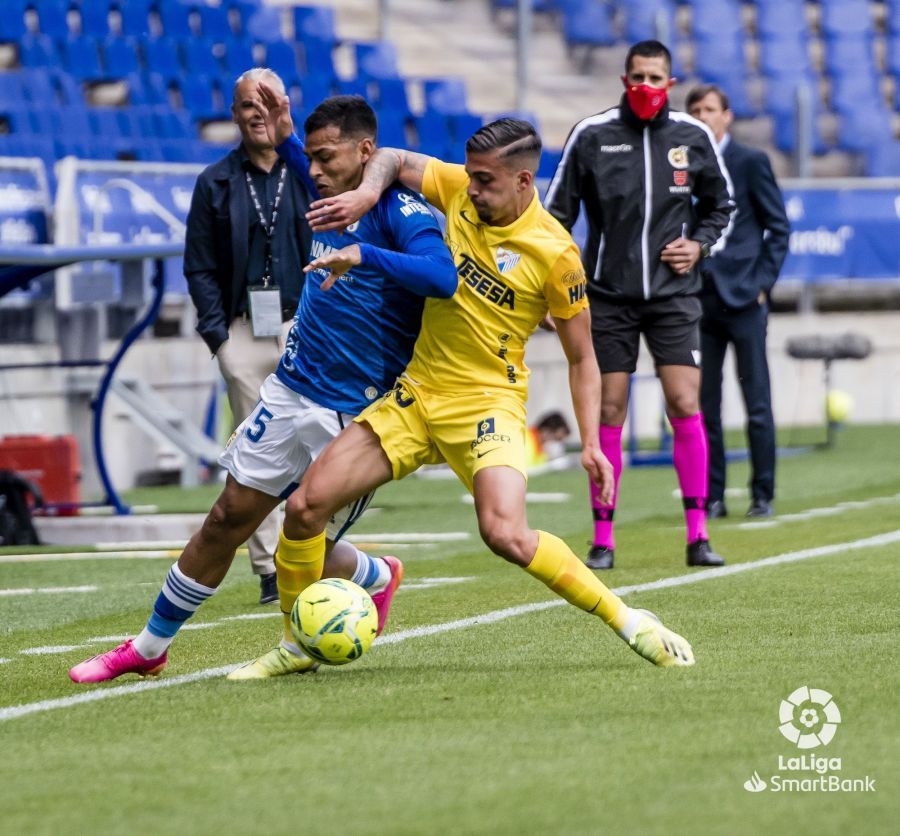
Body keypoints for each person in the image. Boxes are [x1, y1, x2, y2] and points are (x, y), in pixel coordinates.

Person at [231, 117, 696, 679]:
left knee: (504, 533)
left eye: (486, 182)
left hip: (487, 406)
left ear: (524, 181)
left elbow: (582, 358)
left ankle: (629, 620)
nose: (471, 190)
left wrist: (593, 443)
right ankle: (296, 643)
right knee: (304, 509)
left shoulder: (556, 255)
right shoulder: (456, 187)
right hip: (416, 395)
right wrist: (369, 191)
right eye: (470, 178)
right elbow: (395, 157)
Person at [68, 91, 457, 684]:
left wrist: (363, 254)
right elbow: (303, 158)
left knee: (298, 537)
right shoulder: (327, 186)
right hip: (290, 389)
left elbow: (441, 277)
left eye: (329, 159)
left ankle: (358, 590)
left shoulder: (404, 214)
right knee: (227, 518)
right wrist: (283, 133)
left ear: (367, 152)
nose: (317, 172)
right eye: (314, 159)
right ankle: (148, 649)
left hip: (354, 413)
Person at [544, 40, 735, 570]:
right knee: (609, 409)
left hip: (674, 297)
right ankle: (603, 539)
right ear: (624, 80)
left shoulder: (692, 136)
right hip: (607, 296)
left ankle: (698, 536)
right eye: (638, 78)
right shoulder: (591, 135)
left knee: (683, 402)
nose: (646, 87)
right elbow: (554, 217)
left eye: (656, 79)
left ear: (669, 85)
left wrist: (699, 243)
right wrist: (551, 286)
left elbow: (722, 206)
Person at [184, 68, 310, 604]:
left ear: (284, 107)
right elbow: (200, 267)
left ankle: (311, 552)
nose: (257, 112)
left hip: (305, 324)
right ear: (233, 114)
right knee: (257, 454)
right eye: (246, 104)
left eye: (268, 102)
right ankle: (268, 569)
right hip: (244, 332)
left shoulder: (308, 173)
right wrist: (220, 341)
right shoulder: (214, 181)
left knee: (314, 445)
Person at [686, 84, 790, 519]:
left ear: (727, 116)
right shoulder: (681, 164)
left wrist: (764, 283)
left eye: (709, 109)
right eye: (695, 110)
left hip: (746, 299)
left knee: (757, 401)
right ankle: (713, 496)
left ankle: (762, 493)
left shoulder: (750, 162)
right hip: (700, 301)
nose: (703, 116)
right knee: (705, 404)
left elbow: (778, 227)